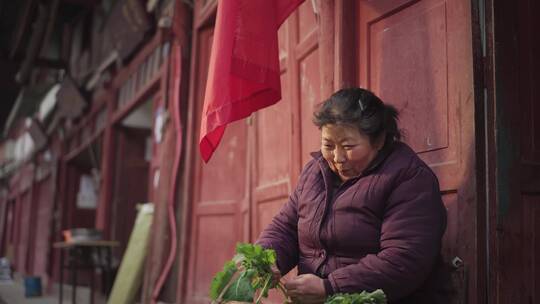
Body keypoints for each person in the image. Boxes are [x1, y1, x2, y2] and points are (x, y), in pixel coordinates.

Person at [256, 88, 449, 303]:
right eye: (328, 145)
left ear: (379, 141)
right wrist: (267, 259)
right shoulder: (315, 173)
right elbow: (286, 227)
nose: (337, 158)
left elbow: (403, 259)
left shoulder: (408, 178)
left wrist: (330, 287)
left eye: (348, 146)